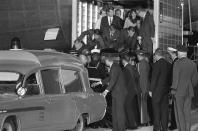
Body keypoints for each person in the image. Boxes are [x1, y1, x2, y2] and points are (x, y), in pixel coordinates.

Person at [92, 56, 127, 131]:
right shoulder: (114, 67)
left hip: (120, 93)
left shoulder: (114, 67)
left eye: (105, 61)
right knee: (115, 111)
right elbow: (110, 78)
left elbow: (113, 80)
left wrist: (106, 91)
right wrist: (99, 83)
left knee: (119, 112)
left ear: (108, 61)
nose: (104, 62)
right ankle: (116, 128)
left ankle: (121, 129)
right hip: (116, 93)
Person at [171, 45, 198, 131]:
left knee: (179, 113)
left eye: (177, 52)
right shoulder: (193, 64)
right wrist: (190, 86)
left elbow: (175, 79)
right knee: (187, 113)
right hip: (189, 91)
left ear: (179, 53)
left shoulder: (177, 63)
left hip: (178, 92)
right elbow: (195, 80)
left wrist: (173, 90)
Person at [150, 48, 172, 131]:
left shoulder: (156, 64)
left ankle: (157, 129)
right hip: (165, 91)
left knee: (156, 111)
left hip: (156, 91)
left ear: (157, 55)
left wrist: (151, 90)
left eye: (154, 55)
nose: (154, 57)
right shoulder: (169, 64)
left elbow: (154, 79)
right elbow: (170, 79)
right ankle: (164, 128)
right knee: (164, 111)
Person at [121, 52, 140, 129]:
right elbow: (137, 77)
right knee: (132, 107)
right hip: (134, 90)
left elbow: (125, 81)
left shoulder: (126, 68)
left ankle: (132, 125)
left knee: (128, 108)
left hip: (129, 90)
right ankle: (135, 123)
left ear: (123, 60)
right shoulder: (132, 67)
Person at [136, 50, 151, 126]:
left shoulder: (141, 64)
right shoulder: (146, 63)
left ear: (139, 56)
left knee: (142, 106)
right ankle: (147, 121)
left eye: (138, 56)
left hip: (142, 87)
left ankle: (144, 121)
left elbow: (142, 78)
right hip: (146, 86)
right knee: (145, 105)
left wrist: (143, 89)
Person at [167, 47, 178, 130]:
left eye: (169, 53)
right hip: (176, 88)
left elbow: (174, 77)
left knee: (174, 107)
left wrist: (172, 88)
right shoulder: (175, 61)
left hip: (175, 88)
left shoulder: (176, 62)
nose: (169, 55)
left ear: (173, 53)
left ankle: (174, 124)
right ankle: (175, 123)